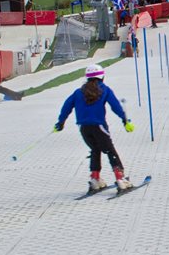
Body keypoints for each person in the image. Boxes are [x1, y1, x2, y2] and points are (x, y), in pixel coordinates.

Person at [54, 64, 135, 194]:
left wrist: (60, 122)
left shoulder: (78, 92)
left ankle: (95, 179)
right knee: (110, 151)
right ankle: (121, 179)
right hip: (99, 126)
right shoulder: (105, 90)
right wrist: (125, 120)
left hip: (83, 127)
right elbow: (115, 106)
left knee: (95, 149)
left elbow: (66, 106)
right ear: (102, 76)